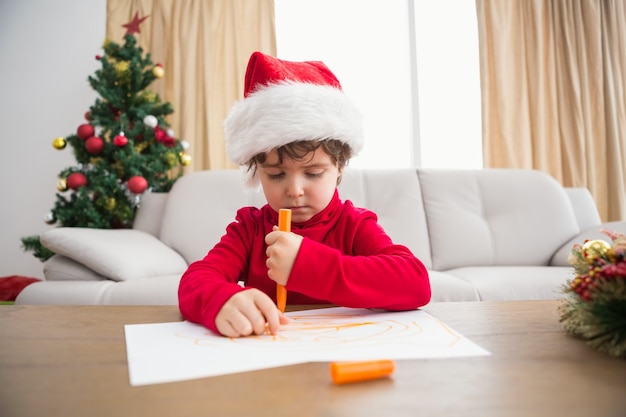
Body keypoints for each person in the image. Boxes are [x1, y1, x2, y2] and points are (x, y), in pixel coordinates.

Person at [178, 51, 431, 337]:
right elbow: (196, 280)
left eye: (312, 173)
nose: (294, 190)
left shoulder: (353, 225)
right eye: (275, 174)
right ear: (257, 171)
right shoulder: (250, 229)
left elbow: (416, 283)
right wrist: (221, 301)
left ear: (339, 167)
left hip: (343, 351)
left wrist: (306, 264)